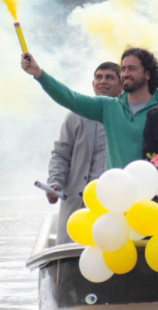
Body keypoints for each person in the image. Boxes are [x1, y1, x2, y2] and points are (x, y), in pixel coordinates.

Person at [21, 47, 158, 169]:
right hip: (118, 194)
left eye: (132, 69)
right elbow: (70, 98)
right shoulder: (108, 106)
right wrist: (39, 74)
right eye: (124, 69)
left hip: (154, 196)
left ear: (147, 74)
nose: (125, 74)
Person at [46, 62, 123, 244]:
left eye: (110, 77)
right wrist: (55, 183)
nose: (103, 82)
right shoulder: (76, 115)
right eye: (99, 77)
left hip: (116, 203)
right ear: (93, 84)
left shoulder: (128, 116)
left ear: (122, 85)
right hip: (79, 203)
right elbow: (60, 154)